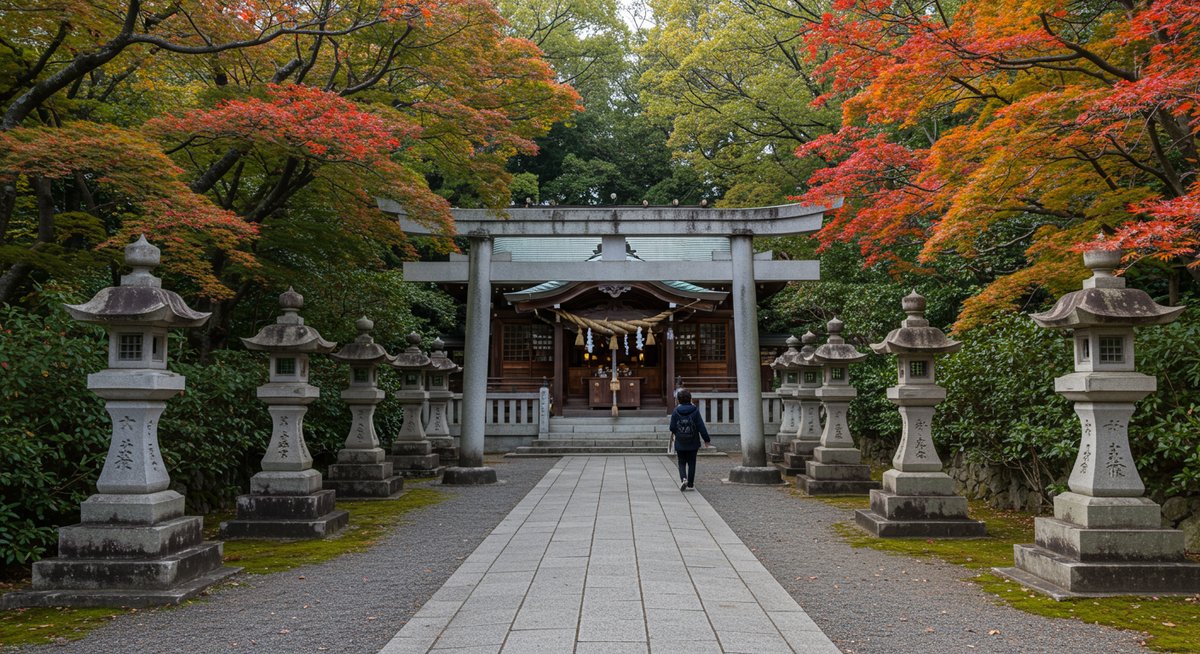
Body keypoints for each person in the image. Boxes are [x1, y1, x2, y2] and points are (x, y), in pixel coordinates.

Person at [669, 389, 711, 491]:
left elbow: (672, 427)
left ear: (678, 400)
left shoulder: (675, 411)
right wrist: (706, 439)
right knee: (692, 462)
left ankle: (684, 478)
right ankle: (691, 483)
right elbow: (701, 426)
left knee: (681, 462)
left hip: (680, 441)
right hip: (693, 441)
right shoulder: (695, 411)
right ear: (690, 398)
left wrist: (678, 434)